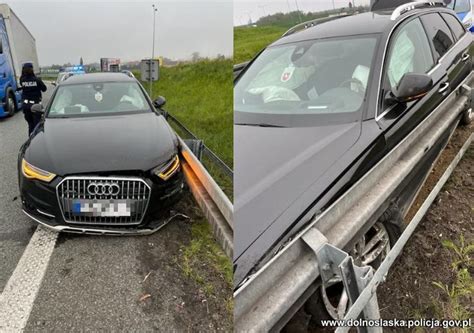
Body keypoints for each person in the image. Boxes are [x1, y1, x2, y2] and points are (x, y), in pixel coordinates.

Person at [19, 63, 47, 135]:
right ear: (32, 70)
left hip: (26, 106)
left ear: (23, 70)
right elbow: (44, 89)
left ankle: (30, 141)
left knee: (30, 125)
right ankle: (37, 140)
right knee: (37, 126)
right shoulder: (37, 80)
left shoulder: (22, 80)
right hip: (35, 107)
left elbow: (22, 77)